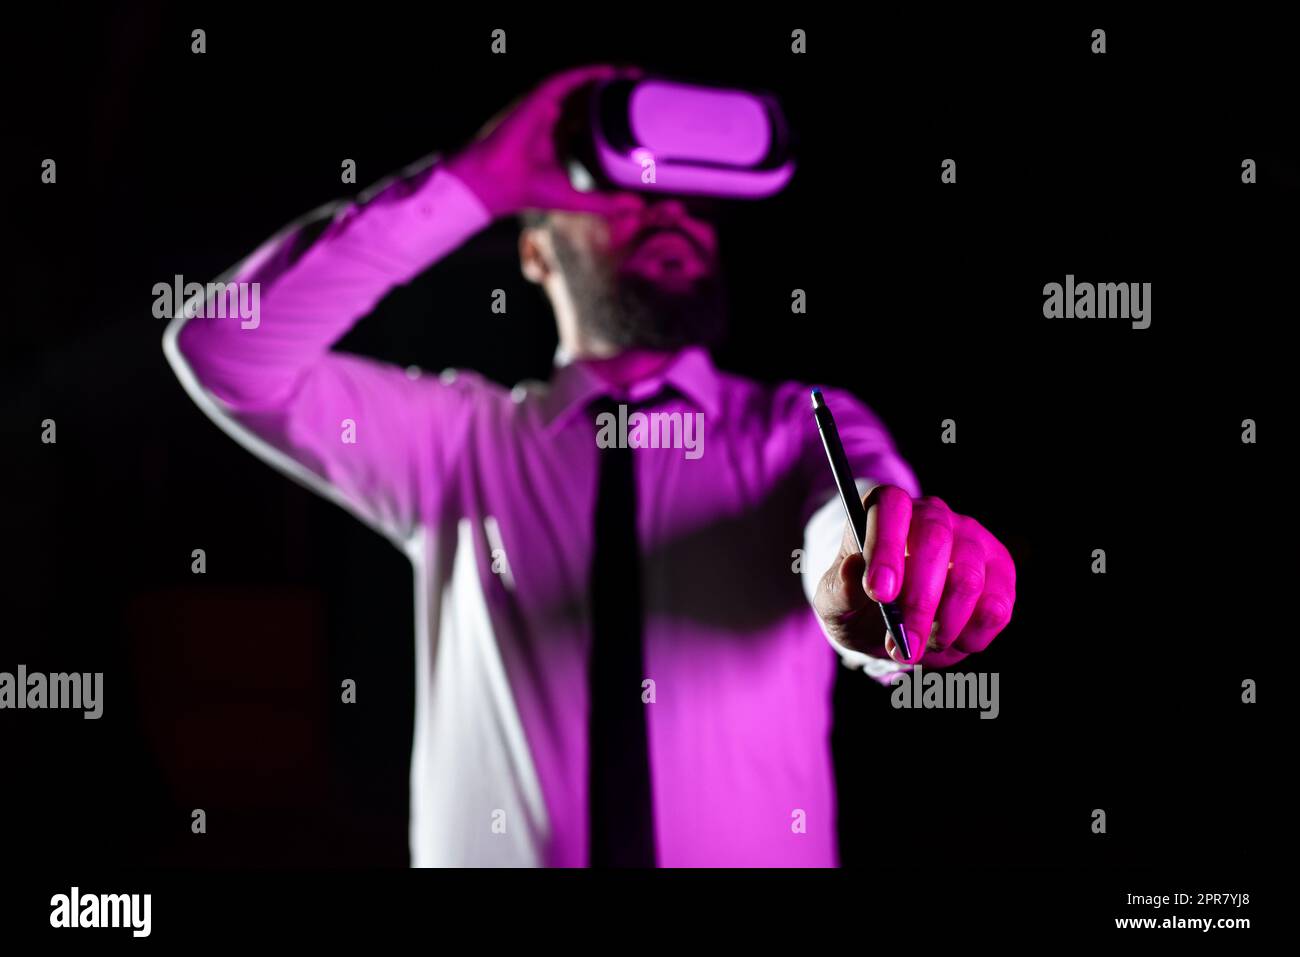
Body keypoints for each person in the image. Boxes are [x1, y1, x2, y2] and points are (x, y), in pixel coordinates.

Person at [163, 64, 1016, 867]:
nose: (667, 207)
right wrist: (476, 181)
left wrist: (876, 579)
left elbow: (851, 517)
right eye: (621, 187)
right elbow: (225, 348)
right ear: (532, 251)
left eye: (690, 196)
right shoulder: (456, 443)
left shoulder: (797, 426)